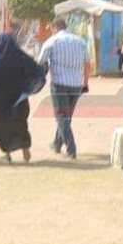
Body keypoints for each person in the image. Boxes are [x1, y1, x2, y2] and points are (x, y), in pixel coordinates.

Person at [0, 33, 46, 163]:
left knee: (3, 126)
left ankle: (7, 154)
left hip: (2, 101)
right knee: (21, 123)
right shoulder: (22, 57)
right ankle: (25, 148)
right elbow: (37, 71)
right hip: (20, 99)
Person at [38, 17, 90, 159]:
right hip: (76, 85)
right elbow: (87, 63)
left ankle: (71, 149)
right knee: (67, 117)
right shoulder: (80, 41)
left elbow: (41, 62)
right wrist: (86, 82)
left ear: (54, 27)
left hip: (59, 84)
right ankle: (57, 143)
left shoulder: (51, 42)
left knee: (61, 117)